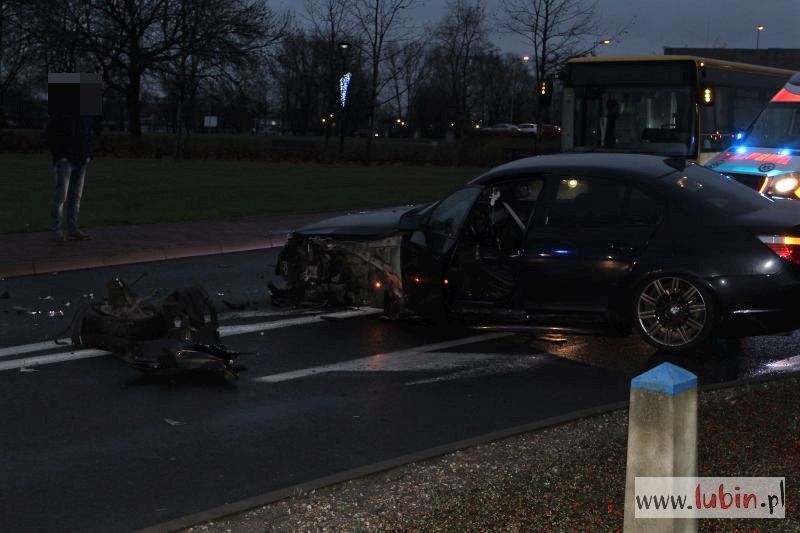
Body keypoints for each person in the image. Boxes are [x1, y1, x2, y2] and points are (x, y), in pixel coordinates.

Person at [45, 114, 95, 242]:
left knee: (76, 195)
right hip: (66, 159)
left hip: (81, 158)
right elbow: (51, 133)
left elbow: (90, 131)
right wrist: (60, 155)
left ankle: (72, 228)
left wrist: (88, 154)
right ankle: (56, 230)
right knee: (61, 196)